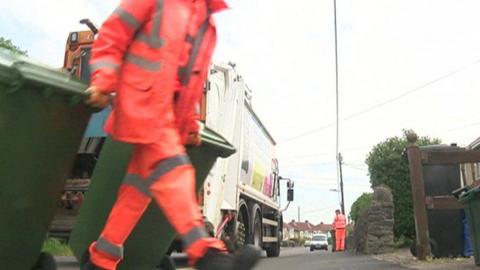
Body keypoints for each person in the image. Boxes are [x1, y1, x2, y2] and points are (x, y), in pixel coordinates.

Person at [82, 0, 260, 269]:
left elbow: (192, 81)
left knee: (136, 191)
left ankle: (101, 259)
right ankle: (205, 252)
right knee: (174, 170)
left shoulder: (207, 24)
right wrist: (103, 80)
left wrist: (189, 124)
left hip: (168, 116)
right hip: (141, 102)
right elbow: (112, 34)